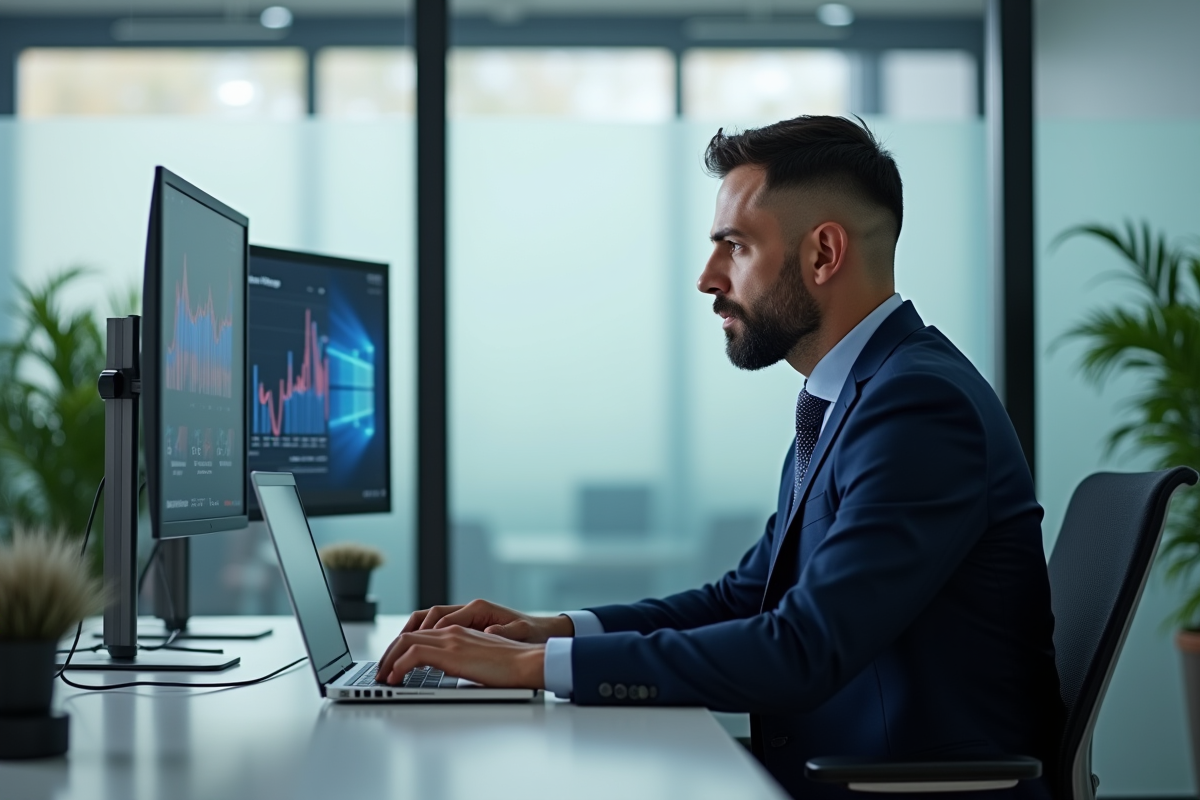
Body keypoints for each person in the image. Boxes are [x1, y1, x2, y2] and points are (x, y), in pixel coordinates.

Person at [376, 115, 1064, 799]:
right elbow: (743, 599)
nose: (708, 278)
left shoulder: (918, 408)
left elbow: (803, 648)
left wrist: (535, 666)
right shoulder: (852, 397)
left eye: (734, 246)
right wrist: (552, 631)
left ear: (823, 254)